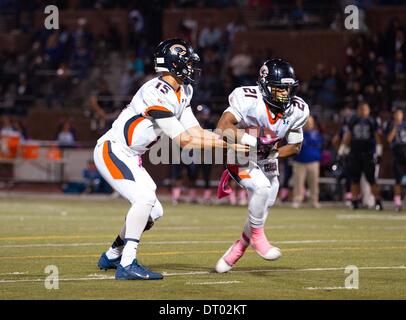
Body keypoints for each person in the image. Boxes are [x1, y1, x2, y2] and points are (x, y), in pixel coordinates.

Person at [93, 38, 248, 280]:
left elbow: (196, 132)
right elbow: (184, 141)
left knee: (154, 212)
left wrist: (234, 142)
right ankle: (127, 263)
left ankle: (113, 254)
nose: (191, 67)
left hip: (132, 156)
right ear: (175, 64)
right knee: (144, 199)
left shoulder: (183, 90)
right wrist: (231, 144)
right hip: (113, 150)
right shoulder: (156, 91)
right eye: (187, 62)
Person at [214, 59, 309, 273]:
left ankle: (238, 248)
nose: (284, 94)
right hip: (240, 154)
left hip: (267, 160)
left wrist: (272, 151)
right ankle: (258, 238)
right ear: (265, 86)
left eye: (287, 89)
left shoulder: (298, 109)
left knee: (264, 202)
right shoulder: (248, 98)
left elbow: (294, 146)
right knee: (261, 188)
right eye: (279, 89)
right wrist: (253, 142)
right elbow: (222, 127)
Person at [338, 102, 384, 211]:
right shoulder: (353, 120)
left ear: (368, 110)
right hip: (355, 154)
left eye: (365, 110)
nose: (363, 112)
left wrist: (379, 153)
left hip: (368, 154)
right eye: (361, 110)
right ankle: (355, 201)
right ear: (358, 111)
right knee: (355, 179)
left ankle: (378, 201)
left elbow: (378, 138)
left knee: (371, 179)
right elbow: (347, 136)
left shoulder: (373, 121)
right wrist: (341, 152)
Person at [291, 115, 323, 209]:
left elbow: (320, 146)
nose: (308, 124)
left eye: (310, 122)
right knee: (298, 183)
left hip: (313, 162)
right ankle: (297, 200)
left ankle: (314, 201)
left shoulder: (316, 134)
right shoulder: (298, 133)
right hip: (299, 162)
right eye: (307, 122)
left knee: (314, 183)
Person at [386, 108, 406, 211]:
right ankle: (397, 203)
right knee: (398, 181)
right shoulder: (391, 125)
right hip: (397, 156)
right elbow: (388, 139)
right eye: (396, 115)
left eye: (400, 115)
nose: (398, 117)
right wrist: (395, 128)